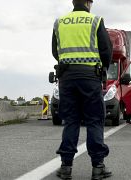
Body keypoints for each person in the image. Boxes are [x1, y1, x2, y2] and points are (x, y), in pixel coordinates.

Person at [51, 0, 113, 179]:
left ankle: (65, 167)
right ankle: (98, 167)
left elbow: (55, 51)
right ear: (88, 2)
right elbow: (106, 50)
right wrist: (102, 69)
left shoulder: (60, 22)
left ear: (73, 2)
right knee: (94, 120)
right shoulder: (96, 20)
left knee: (71, 121)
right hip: (90, 76)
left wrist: (68, 61)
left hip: (67, 77)